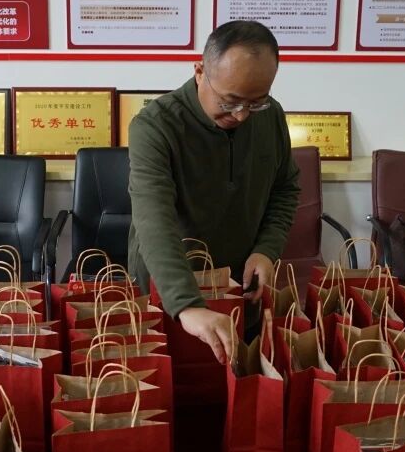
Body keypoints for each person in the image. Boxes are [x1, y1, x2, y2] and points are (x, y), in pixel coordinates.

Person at [127, 20, 301, 365]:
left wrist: (266, 250)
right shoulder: (155, 126)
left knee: (232, 377)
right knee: (170, 378)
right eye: (230, 100)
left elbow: (285, 189)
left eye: (256, 102)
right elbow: (154, 220)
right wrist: (187, 305)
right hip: (169, 285)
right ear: (199, 71)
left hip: (239, 284)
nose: (242, 115)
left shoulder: (271, 117)